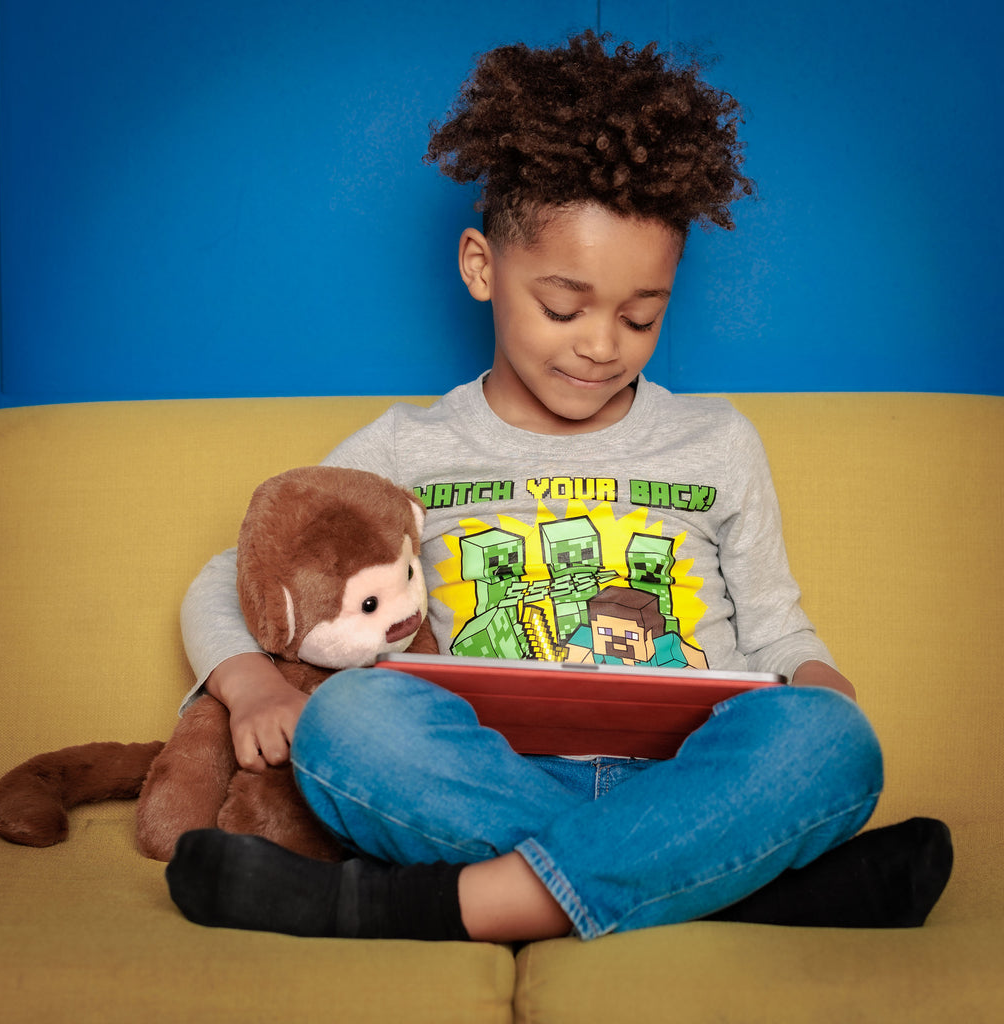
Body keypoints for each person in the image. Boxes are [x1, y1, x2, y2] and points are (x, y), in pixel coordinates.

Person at [166, 31, 951, 941]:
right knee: (350, 722)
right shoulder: (408, 446)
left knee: (835, 745)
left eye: (641, 316)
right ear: (481, 268)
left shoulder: (718, 442)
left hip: (690, 775)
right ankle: (736, 885)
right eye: (563, 307)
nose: (601, 345)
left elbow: (777, 625)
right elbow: (239, 577)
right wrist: (252, 686)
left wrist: (819, 685)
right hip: (488, 771)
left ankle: (435, 906)